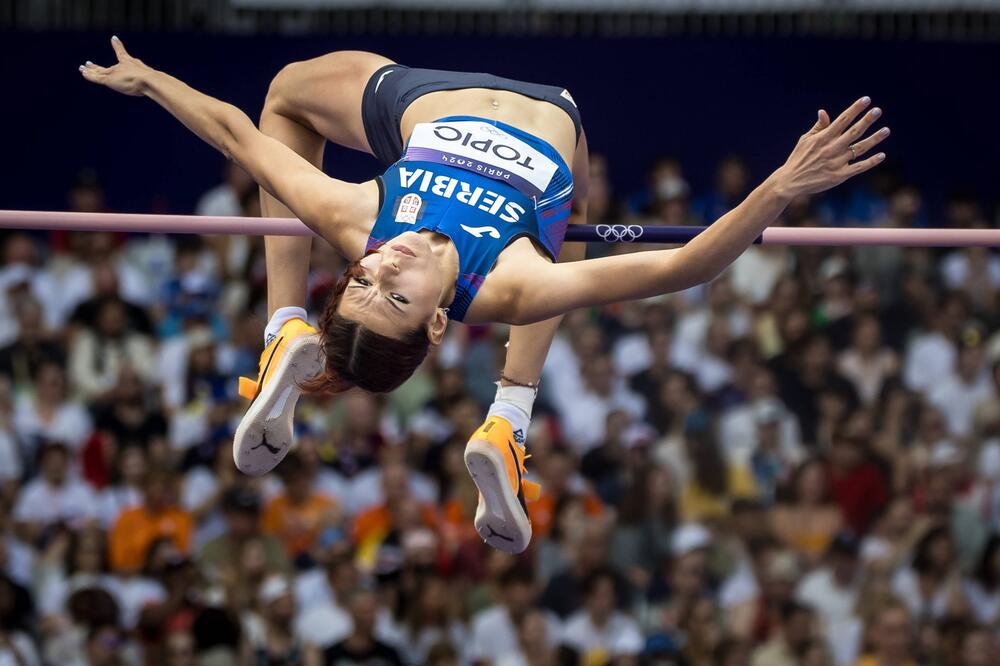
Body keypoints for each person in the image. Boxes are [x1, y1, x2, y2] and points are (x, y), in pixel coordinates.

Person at [82, 37, 889, 555]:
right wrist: (781, 186)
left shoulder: (360, 218)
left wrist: (153, 81)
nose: (382, 268)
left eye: (361, 280)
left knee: (289, 91)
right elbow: (688, 266)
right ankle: (509, 414)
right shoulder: (508, 282)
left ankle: (286, 325)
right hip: (555, 120)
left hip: (423, 101)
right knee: (563, 242)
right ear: (439, 321)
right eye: (393, 295)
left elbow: (237, 135)